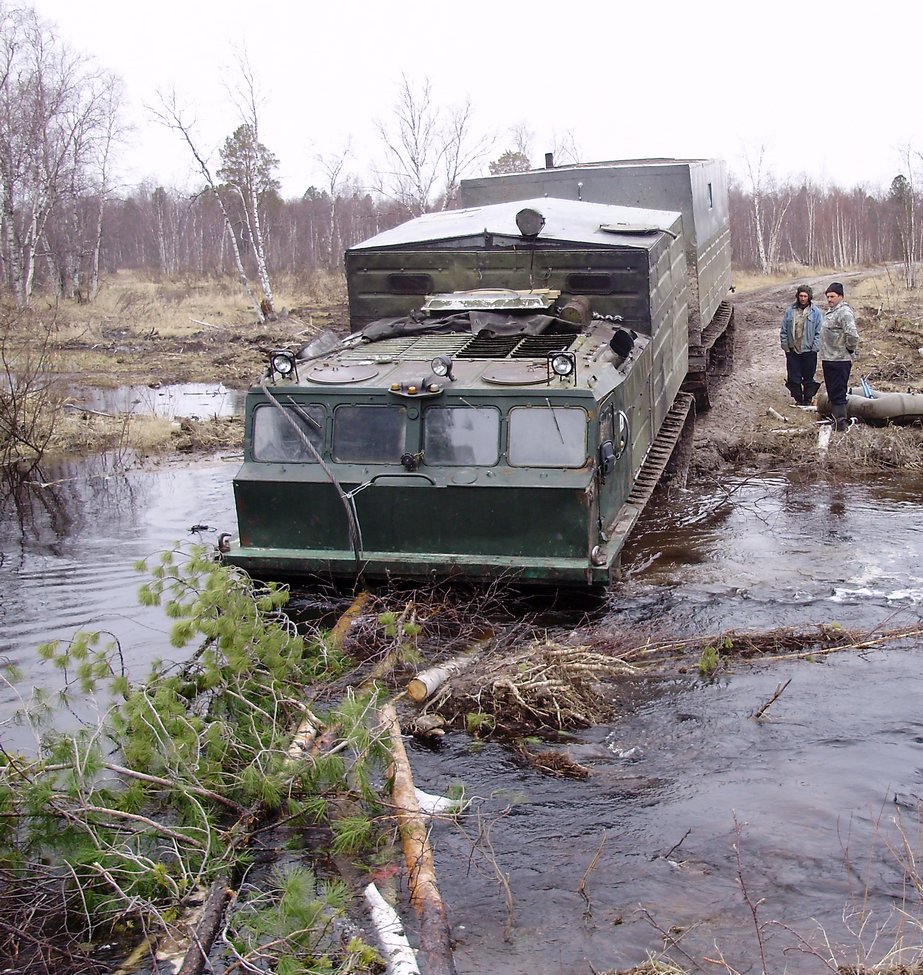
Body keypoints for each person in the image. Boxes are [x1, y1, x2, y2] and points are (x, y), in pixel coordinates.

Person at [820, 282, 859, 431]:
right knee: (832, 390)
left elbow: (852, 334)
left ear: (841, 297)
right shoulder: (831, 312)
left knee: (838, 391)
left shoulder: (844, 312)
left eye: (832, 296)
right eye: (828, 297)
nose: (829, 299)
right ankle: (836, 419)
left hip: (840, 359)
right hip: (829, 357)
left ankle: (840, 423)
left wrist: (849, 349)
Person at [779, 285, 823, 404]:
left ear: (809, 297)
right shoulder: (790, 311)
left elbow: (819, 332)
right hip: (793, 350)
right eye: (801, 296)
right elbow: (783, 330)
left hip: (809, 350)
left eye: (805, 296)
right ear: (797, 296)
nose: (803, 298)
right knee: (793, 377)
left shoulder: (816, 313)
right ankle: (798, 399)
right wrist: (786, 347)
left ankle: (808, 399)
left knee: (809, 377)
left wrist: (815, 348)